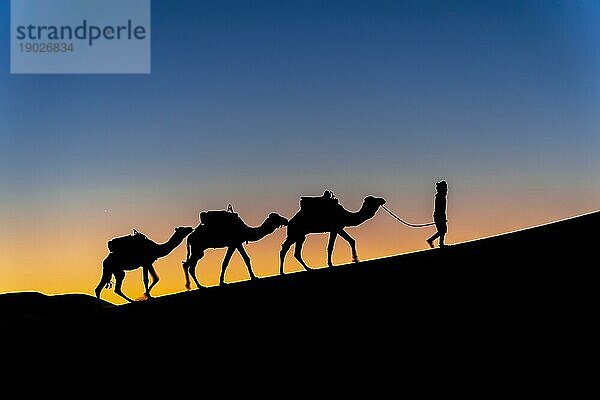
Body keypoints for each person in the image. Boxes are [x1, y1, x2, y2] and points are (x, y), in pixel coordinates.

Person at [427, 181, 448, 248]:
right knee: (442, 230)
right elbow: (440, 208)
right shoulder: (440, 197)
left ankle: (440, 243)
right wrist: (442, 218)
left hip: (440, 215)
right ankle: (432, 241)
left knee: (443, 230)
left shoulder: (441, 196)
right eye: (445, 188)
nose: (446, 189)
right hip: (439, 215)